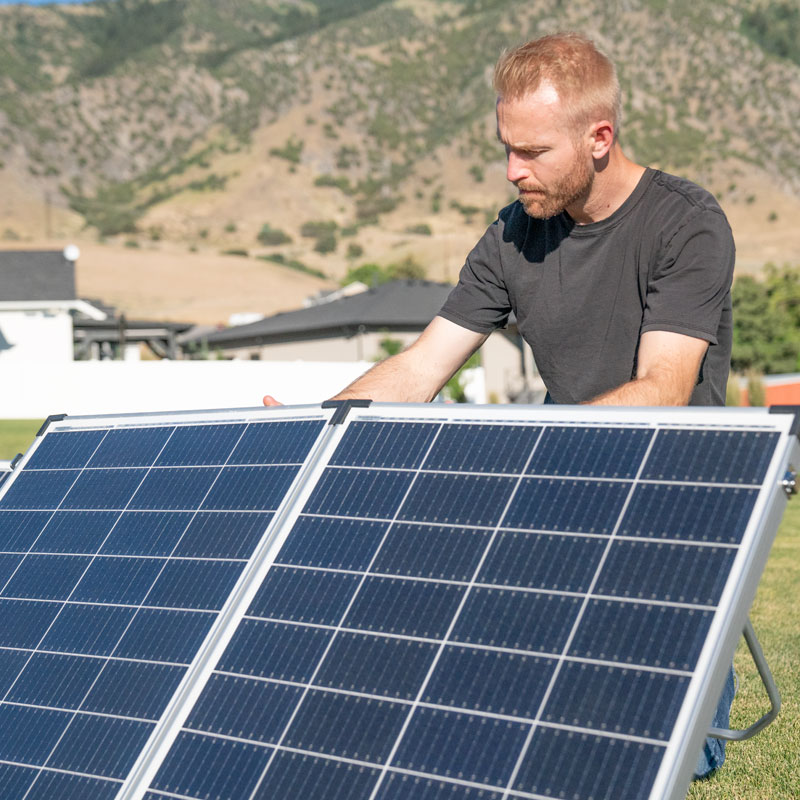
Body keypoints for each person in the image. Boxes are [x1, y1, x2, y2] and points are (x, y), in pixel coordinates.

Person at [264, 31, 735, 777]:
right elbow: (422, 365)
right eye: (504, 148)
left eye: (534, 152)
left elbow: (664, 391)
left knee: (676, 759)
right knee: (513, 737)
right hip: (554, 500)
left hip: (665, 506)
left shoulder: (685, 224)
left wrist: (526, 460)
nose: (513, 171)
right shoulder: (513, 236)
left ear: (599, 138)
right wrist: (314, 428)